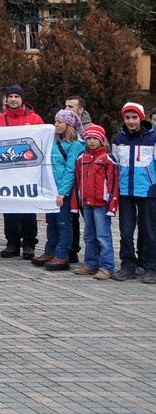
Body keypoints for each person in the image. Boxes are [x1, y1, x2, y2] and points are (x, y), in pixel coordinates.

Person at [0, 85, 44, 260]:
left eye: (16, 96)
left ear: (22, 99)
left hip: (28, 171)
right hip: (6, 172)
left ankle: (29, 244)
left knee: (28, 208)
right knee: (9, 207)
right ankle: (12, 242)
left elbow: (42, 142)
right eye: (10, 96)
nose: (13, 99)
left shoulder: (35, 119)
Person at [111, 102, 155, 283]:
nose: (131, 121)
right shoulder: (118, 139)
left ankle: (150, 266)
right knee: (126, 232)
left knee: (149, 231)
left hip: (148, 191)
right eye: (127, 118)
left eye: (134, 117)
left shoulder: (152, 139)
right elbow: (115, 165)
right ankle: (128, 265)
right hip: (125, 191)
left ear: (141, 118)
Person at [37, 110, 85, 271]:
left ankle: (63, 254)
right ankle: (50, 250)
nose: (56, 124)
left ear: (69, 125)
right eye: (55, 121)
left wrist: (63, 192)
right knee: (51, 222)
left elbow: (70, 170)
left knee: (63, 222)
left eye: (60, 122)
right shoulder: (53, 142)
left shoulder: (75, 145)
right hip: (51, 190)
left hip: (64, 192)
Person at [73, 124, 119, 280]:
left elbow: (113, 184)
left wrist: (112, 205)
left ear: (102, 140)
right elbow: (77, 181)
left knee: (103, 236)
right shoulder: (81, 158)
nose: (91, 141)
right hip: (86, 203)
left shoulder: (108, 159)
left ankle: (107, 266)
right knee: (89, 235)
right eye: (89, 138)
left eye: (95, 138)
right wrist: (77, 201)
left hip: (102, 204)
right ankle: (91, 263)